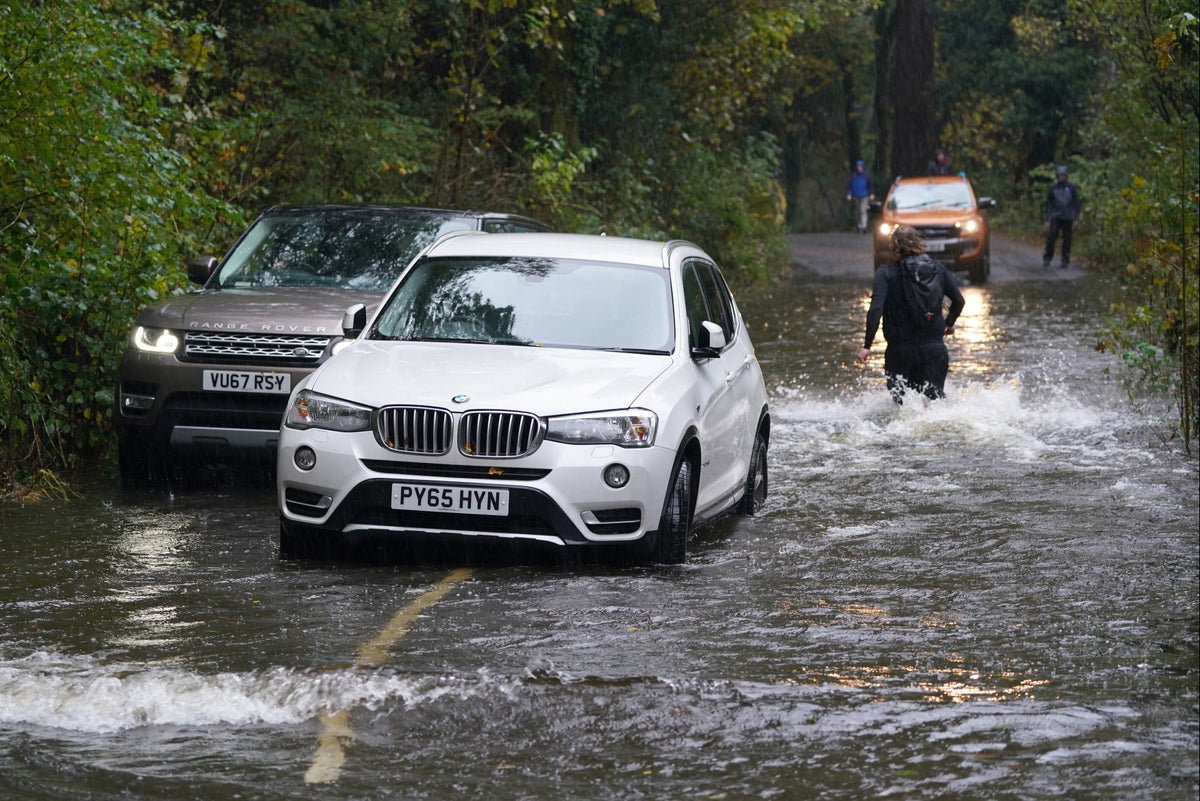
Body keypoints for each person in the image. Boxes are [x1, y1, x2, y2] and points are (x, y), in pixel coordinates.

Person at [857, 225, 965, 403]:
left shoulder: (885, 273)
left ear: (894, 246)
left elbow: (876, 309)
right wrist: (949, 322)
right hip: (934, 350)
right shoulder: (937, 268)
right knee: (932, 406)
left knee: (903, 409)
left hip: (899, 353)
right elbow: (959, 301)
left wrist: (867, 346)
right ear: (919, 243)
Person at [1043, 165, 1081, 268]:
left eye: (1063, 175)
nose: (1061, 177)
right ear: (1057, 176)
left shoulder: (1071, 188)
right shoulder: (1053, 188)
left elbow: (1076, 203)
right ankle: (1047, 258)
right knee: (1051, 237)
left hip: (1068, 217)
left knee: (1067, 240)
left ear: (1066, 176)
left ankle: (1065, 261)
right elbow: (1048, 203)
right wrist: (1046, 217)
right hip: (1055, 216)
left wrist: (1077, 218)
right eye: (1060, 175)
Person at [845, 160, 875, 234]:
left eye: (860, 166)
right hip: (856, 196)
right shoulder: (854, 176)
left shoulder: (866, 176)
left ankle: (864, 226)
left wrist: (871, 193)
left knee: (863, 210)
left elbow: (870, 185)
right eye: (858, 166)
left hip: (864, 196)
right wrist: (849, 194)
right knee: (858, 211)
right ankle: (859, 226)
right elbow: (850, 186)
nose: (859, 168)